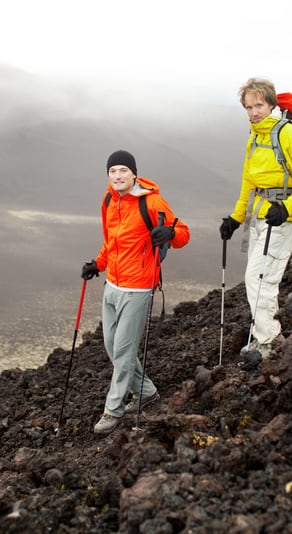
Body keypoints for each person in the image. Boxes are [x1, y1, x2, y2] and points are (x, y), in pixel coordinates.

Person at [81, 149, 190, 434]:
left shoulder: (151, 202)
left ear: (133, 174)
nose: (118, 176)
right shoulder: (108, 201)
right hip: (113, 285)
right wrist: (98, 264)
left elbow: (183, 232)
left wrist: (170, 233)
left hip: (138, 287)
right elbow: (111, 243)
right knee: (112, 347)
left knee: (125, 351)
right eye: (113, 171)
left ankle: (113, 410)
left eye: (123, 171)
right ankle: (147, 392)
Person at [219, 78, 292, 360]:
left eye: (259, 105)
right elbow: (248, 181)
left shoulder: (289, 134)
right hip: (261, 217)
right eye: (249, 107)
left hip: (282, 218)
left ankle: (270, 342)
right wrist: (236, 218)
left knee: (259, 278)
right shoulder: (255, 137)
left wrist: (288, 208)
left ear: (272, 103)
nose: (254, 112)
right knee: (261, 279)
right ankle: (266, 337)